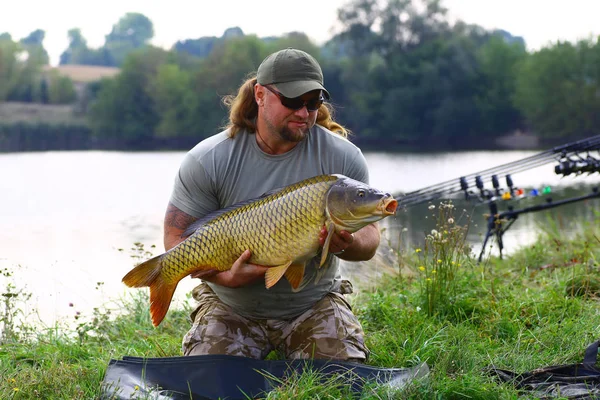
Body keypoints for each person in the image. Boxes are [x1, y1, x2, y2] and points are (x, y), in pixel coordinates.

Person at [164, 48, 381, 362]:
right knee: (208, 384)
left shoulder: (343, 159)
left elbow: (370, 240)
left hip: (313, 303)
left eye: (313, 103)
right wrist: (223, 278)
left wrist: (345, 243)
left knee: (341, 383)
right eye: (292, 102)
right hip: (231, 305)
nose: (304, 113)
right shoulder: (208, 159)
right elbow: (176, 240)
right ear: (260, 94)